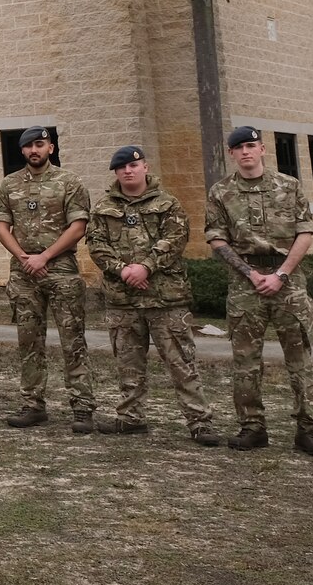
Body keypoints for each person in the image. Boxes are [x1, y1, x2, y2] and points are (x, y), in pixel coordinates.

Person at [86, 146, 223, 446]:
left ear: (145, 167)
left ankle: (200, 422)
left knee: (181, 363)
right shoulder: (103, 207)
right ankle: (130, 418)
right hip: (123, 300)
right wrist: (123, 271)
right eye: (121, 167)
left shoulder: (168, 204)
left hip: (165, 299)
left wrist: (146, 267)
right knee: (128, 363)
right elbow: (96, 245)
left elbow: (176, 239)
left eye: (133, 165)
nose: (127, 171)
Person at [206, 126, 313, 456]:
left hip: (288, 281)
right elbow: (217, 238)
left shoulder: (289, 187)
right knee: (245, 360)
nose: (245, 151)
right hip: (245, 282)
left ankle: (308, 429)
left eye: (251, 145)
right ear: (231, 154)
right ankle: (252, 427)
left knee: (300, 358)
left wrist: (281, 274)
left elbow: (305, 232)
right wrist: (251, 273)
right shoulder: (221, 192)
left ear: (262, 149)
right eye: (238, 147)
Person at [0, 127, 96, 432]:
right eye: (28, 146)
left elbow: (78, 226)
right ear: (22, 151)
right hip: (24, 272)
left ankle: (82, 407)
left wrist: (45, 256)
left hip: (61, 268)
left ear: (50, 147)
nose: (34, 150)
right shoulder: (8, 185)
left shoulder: (70, 182)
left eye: (40, 144)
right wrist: (25, 258)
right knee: (29, 341)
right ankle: (33, 405)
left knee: (72, 341)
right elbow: (0, 226)